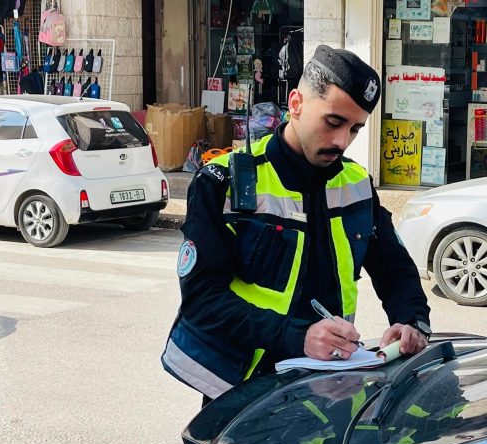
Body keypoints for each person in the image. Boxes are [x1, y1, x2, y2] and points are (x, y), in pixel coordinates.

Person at [162, 45, 432, 405]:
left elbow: (394, 268)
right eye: (333, 122)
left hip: (330, 384)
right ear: (296, 104)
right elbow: (202, 300)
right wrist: (298, 337)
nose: (342, 141)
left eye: (355, 129)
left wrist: (410, 321)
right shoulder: (222, 181)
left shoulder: (356, 183)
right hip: (242, 390)